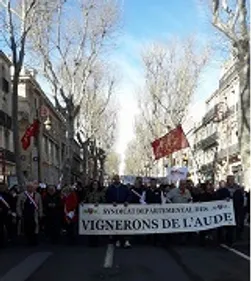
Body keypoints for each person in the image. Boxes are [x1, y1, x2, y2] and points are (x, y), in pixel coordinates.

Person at [106, 175, 131, 249]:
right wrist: (111, 201)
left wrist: (127, 201)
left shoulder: (124, 187)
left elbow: (129, 195)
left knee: (124, 224)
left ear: (119, 179)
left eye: (117, 179)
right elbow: (107, 197)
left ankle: (125, 240)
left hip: (123, 208)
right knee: (116, 224)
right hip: (114, 209)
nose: (116, 180)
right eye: (115, 179)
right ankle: (117, 240)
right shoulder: (110, 188)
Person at [17, 181, 43, 246]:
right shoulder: (22, 195)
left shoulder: (37, 195)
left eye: (31, 187)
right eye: (28, 187)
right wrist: (19, 214)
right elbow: (18, 205)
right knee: (27, 227)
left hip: (35, 213)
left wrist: (40, 213)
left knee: (35, 226)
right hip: (26, 213)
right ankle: (29, 240)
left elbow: (40, 205)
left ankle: (35, 240)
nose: (30, 188)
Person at [86, 180, 105, 247]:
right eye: (94, 184)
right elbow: (86, 200)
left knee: (96, 226)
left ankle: (96, 241)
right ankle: (90, 241)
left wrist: (99, 203)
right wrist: (83, 202)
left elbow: (104, 201)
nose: (95, 186)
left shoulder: (101, 193)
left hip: (97, 212)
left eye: (96, 184)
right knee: (90, 226)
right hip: (90, 211)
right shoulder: (89, 192)